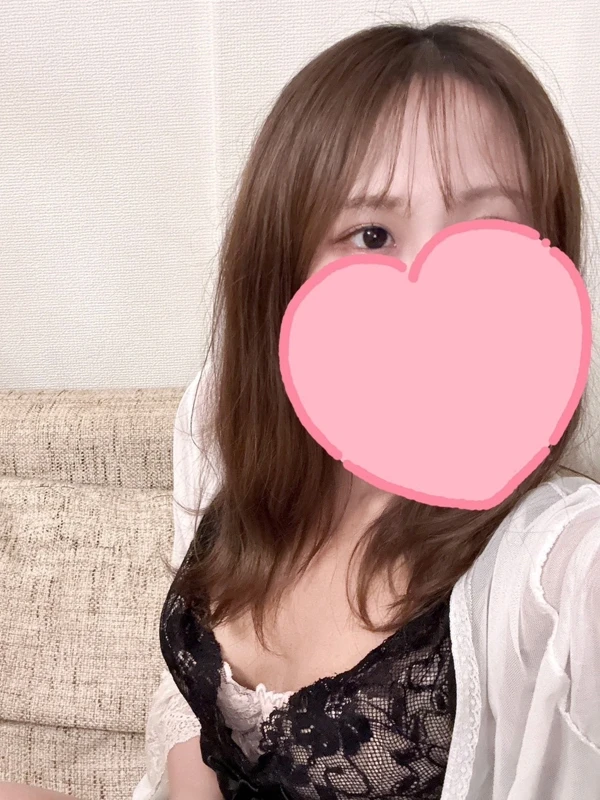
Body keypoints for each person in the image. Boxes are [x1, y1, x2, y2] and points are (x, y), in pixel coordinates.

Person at [2, 19, 598, 800]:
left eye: (488, 232)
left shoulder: (555, 565)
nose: (435, 286)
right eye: (372, 233)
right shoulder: (220, 423)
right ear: (286, 268)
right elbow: (187, 713)